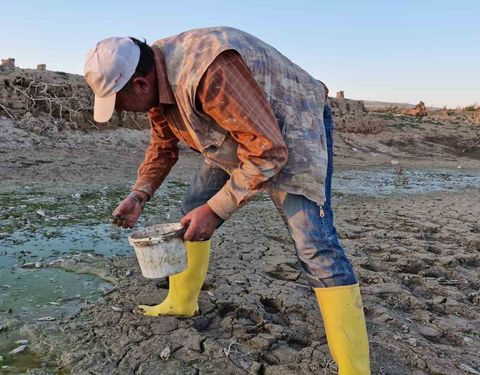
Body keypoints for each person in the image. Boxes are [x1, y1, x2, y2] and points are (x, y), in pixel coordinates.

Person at [83, 27, 370, 374]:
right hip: (237, 131)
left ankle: (355, 369)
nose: (120, 112)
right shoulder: (154, 79)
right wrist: (138, 194)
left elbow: (269, 151)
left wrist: (216, 211)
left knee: (315, 245)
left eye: (118, 103)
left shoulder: (208, 72)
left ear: (139, 85)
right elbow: (162, 145)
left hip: (294, 124)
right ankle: (181, 303)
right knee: (189, 211)